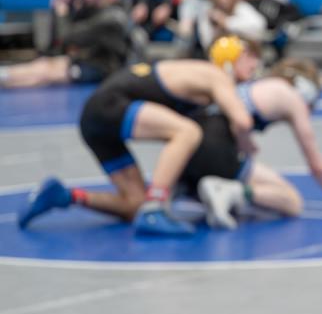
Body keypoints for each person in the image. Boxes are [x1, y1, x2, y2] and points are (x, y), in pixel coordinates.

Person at [20, 50, 258, 237]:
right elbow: (243, 121)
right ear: (230, 62)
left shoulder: (194, 75)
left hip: (95, 117)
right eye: (249, 59)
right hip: (111, 103)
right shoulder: (217, 76)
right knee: (187, 132)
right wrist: (247, 146)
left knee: (134, 205)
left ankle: (65, 196)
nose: (255, 67)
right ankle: (155, 207)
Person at [183, 57, 322, 229]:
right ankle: (231, 191)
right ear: (307, 90)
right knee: (292, 202)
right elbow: (316, 165)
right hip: (215, 146)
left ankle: (187, 188)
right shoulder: (292, 98)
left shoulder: (257, 85)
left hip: (191, 142)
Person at [0, 0, 131, 89]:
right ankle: (4, 74)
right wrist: (67, 4)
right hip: (89, 60)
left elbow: (68, 36)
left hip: (103, 69)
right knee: (44, 64)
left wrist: (62, 13)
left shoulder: (110, 17)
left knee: (45, 74)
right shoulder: (98, 10)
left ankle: (4, 77)